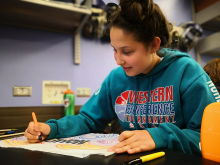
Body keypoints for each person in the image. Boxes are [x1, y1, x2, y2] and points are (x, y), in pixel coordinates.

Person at [24, 0, 218, 156]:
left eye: (126, 51)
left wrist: (160, 136)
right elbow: (88, 120)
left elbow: (209, 135)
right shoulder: (116, 79)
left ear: (153, 45)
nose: (118, 60)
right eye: (114, 50)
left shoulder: (187, 72)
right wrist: (53, 128)